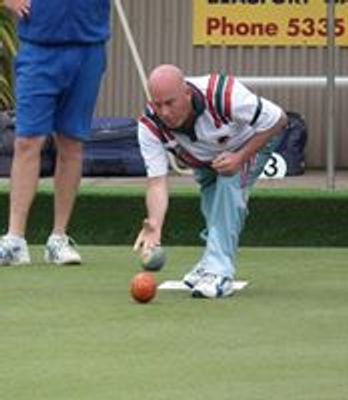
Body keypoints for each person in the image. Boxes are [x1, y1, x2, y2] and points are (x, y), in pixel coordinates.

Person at [134, 64, 288, 298]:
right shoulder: (150, 125)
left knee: (229, 184)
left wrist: (240, 157)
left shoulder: (223, 95)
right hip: (206, 158)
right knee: (211, 197)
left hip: (250, 143)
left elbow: (279, 119)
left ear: (186, 93)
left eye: (170, 103)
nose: (164, 112)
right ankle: (209, 261)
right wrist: (155, 224)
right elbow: (157, 182)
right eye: (158, 104)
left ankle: (219, 271)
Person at [0, 0, 110, 266]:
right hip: (38, 48)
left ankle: (58, 238)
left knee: (71, 143)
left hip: (88, 47)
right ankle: (15, 239)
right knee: (27, 141)